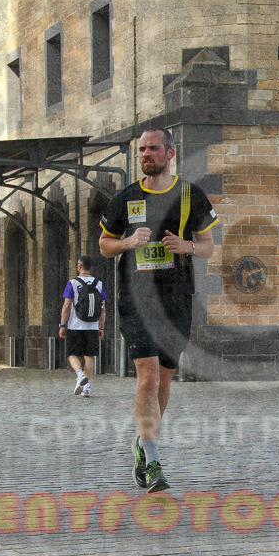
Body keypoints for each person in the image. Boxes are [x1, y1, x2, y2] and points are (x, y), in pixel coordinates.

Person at [99, 128, 218, 493]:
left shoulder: (191, 196)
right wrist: (127, 242)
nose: (145, 154)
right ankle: (152, 461)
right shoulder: (126, 198)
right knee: (148, 379)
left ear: (170, 153)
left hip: (177, 301)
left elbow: (209, 246)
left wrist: (186, 246)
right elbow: (104, 245)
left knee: (164, 382)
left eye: (152, 148)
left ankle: (141, 442)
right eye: (141, 150)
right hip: (136, 301)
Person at [59, 255, 106, 397]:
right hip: (92, 327)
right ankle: (87, 388)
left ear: (79, 266)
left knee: (72, 354)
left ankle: (79, 375)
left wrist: (62, 324)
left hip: (75, 326)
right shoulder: (99, 284)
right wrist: (101, 327)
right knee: (89, 357)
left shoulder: (72, 283)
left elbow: (67, 306)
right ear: (91, 267)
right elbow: (103, 309)